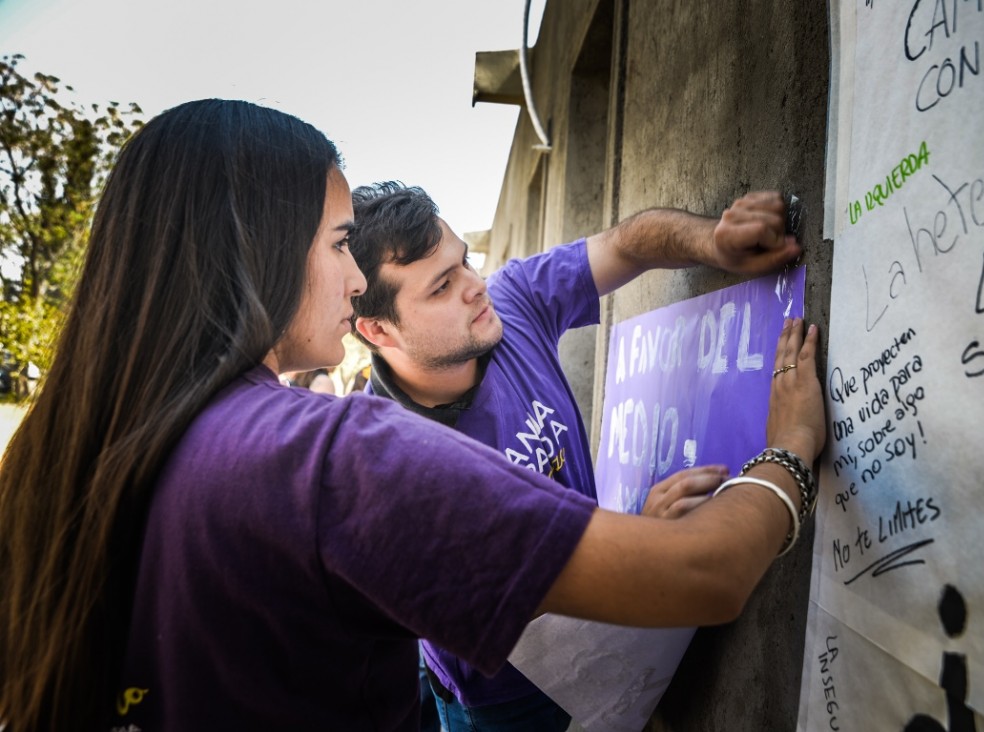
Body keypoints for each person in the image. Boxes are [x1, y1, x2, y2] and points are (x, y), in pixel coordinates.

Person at [0, 99, 824, 731]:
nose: (350, 278)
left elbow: (628, 242)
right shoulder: (334, 456)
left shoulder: (87, 456)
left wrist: (712, 241)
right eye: (334, 247)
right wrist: (785, 450)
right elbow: (704, 574)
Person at [349, 182, 801, 730]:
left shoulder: (508, 304)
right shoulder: (387, 464)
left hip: (608, 621)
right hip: (507, 700)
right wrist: (636, 543)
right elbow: (503, 611)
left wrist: (712, 240)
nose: (474, 287)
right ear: (377, 329)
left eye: (465, 263)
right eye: (442, 287)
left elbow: (627, 244)